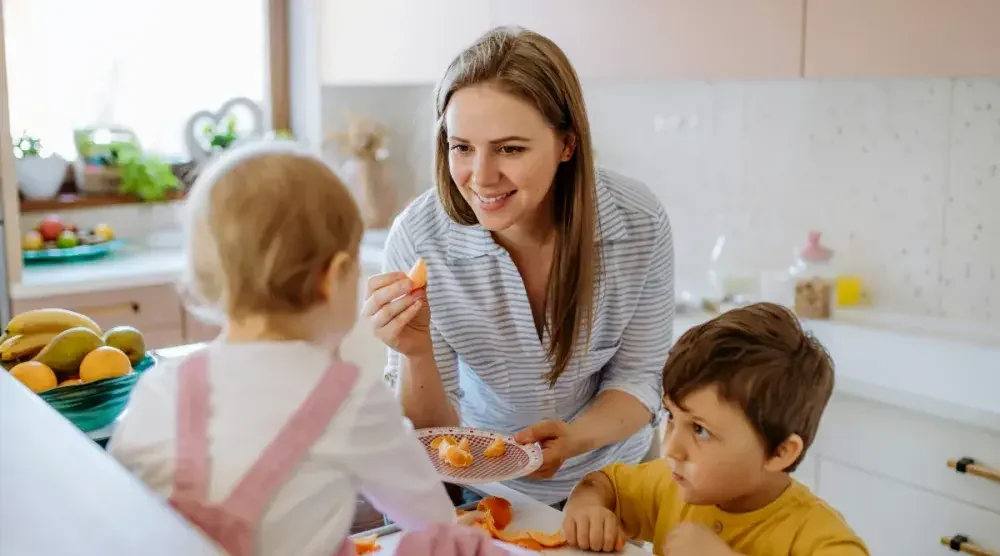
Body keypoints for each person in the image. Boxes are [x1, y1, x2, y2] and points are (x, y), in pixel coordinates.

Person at [363, 25, 675, 505]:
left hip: (614, 483)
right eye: (462, 146)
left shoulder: (637, 222)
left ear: (566, 145)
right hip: (488, 485)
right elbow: (433, 434)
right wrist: (415, 351)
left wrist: (575, 441)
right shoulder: (420, 238)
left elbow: (638, 377)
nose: (482, 177)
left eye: (510, 149)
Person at [107, 140, 457, 556]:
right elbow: (436, 525)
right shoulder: (351, 400)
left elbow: (118, 515)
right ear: (339, 275)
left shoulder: (158, 388)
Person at [560, 303, 869, 555]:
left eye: (700, 430)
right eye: (671, 417)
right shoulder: (671, 484)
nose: (672, 448)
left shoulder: (817, 537)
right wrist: (587, 508)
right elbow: (603, 485)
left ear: (779, 452)